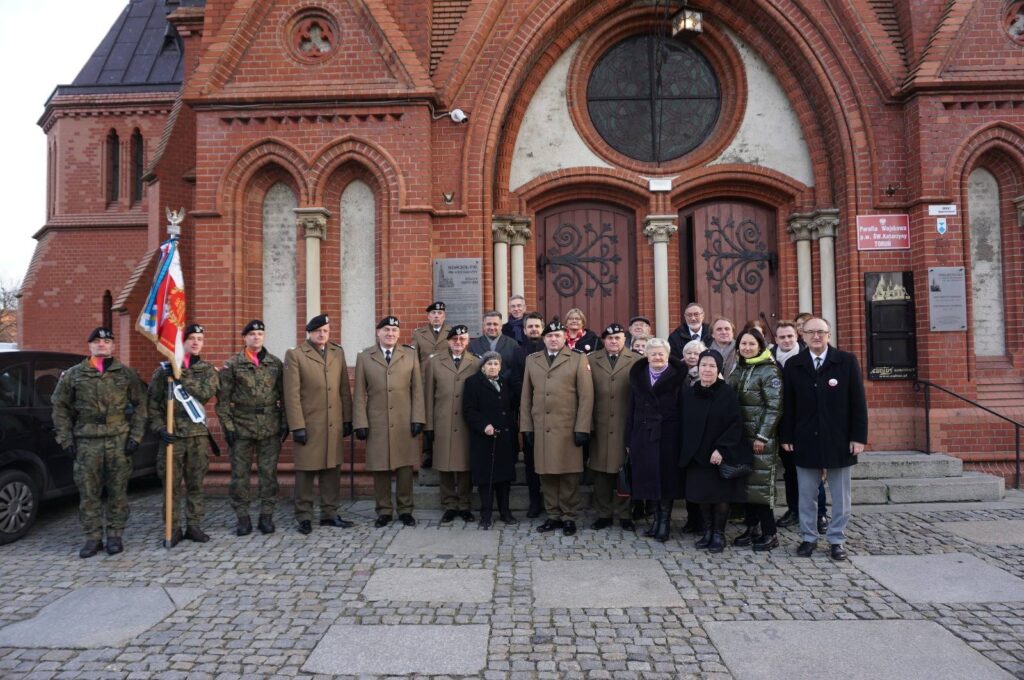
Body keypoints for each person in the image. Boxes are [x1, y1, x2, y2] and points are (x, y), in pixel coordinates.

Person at [52, 327, 147, 558]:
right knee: (88, 492)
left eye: (106, 341)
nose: (101, 345)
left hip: (118, 439)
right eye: (97, 341)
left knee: (118, 490)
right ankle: (92, 537)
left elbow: (141, 405)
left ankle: (115, 534)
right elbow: (60, 408)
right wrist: (65, 439)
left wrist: (135, 437)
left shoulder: (126, 374)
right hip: (86, 441)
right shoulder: (74, 374)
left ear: (113, 346)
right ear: (90, 346)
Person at [781, 317, 868, 561]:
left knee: (841, 496)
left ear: (829, 334)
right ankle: (808, 537)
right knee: (806, 494)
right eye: (811, 332)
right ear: (803, 336)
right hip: (805, 438)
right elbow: (789, 405)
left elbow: (858, 403)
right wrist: (787, 435)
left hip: (839, 439)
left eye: (821, 332)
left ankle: (837, 539)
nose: (816, 336)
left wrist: (858, 437)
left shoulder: (846, 362)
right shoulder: (794, 365)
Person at [520, 320, 594, 536]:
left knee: (569, 475)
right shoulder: (532, 361)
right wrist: (526, 427)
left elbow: (586, 396)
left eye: (558, 336)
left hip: (568, 428)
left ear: (564, 338)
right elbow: (526, 397)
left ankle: (569, 517)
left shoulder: (578, 359)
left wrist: (583, 427)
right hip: (542, 428)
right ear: (544, 339)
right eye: (550, 336)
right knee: (546, 474)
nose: (554, 339)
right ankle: (553, 515)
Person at [147, 323, 219, 546]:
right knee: (172, 485)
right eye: (191, 338)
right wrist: (160, 428)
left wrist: (180, 375)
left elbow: (205, 393)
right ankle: (173, 527)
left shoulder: (207, 370)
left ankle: (194, 525)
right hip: (172, 437)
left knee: (196, 484)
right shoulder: (163, 371)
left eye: (200, 339)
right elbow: (152, 405)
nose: (196, 342)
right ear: (182, 342)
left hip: (196, 436)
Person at [283, 314, 355, 535]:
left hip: (333, 424)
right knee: (306, 472)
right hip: (309, 424)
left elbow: (344, 388)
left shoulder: (337, 352)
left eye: (325, 330)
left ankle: (329, 514)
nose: (322, 334)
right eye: (317, 331)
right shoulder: (296, 355)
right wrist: (297, 426)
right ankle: (304, 516)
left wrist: (347, 418)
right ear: (309, 333)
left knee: (332, 471)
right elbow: (291, 394)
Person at [353, 316, 426, 528]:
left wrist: (418, 418)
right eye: (386, 330)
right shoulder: (366, 357)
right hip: (377, 421)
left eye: (394, 330)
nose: (390, 334)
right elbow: (359, 393)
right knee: (380, 467)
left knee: (404, 469)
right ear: (378, 332)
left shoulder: (410, 355)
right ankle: (383, 511)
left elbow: (417, 390)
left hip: (404, 420)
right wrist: (360, 423)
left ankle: (405, 510)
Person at [217, 319, 288, 536]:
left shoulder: (275, 364)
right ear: (244, 337)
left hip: (270, 426)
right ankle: (243, 517)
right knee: (240, 475)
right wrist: (227, 427)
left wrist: (285, 422)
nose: (256, 337)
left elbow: (284, 396)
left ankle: (266, 516)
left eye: (260, 333)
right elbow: (222, 400)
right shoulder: (232, 365)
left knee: (268, 474)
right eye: (252, 334)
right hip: (242, 426)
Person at [680, 350, 752, 553]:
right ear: (698, 368)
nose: (707, 369)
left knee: (720, 496)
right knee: (703, 495)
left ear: (718, 369)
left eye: (712, 366)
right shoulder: (690, 392)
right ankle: (708, 532)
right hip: (696, 454)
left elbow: (734, 424)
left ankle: (719, 534)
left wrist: (721, 449)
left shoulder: (726, 392)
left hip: (719, 454)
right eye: (704, 365)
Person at [727, 328, 783, 551]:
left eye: (751, 344)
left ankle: (770, 533)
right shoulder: (739, 368)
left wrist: (762, 436)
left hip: (761, 440)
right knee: (748, 485)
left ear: (760, 346)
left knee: (761, 486)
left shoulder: (769, 372)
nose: (747, 348)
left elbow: (774, 407)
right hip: (742, 438)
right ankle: (752, 528)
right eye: (743, 344)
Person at [625, 337, 685, 541]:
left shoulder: (678, 378)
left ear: (668, 356)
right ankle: (655, 520)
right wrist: (629, 438)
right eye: (653, 354)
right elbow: (631, 410)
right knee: (649, 477)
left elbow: (683, 410)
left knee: (666, 478)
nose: (657, 357)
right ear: (646, 356)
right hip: (643, 434)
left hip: (669, 435)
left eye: (661, 354)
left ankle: (665, 523)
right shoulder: (638, 377)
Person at [772, 320, 826, 530]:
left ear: (798, 336)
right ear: (775, 339)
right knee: (790, 472)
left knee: (814, 470)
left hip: (809, 425)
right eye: (782, 337)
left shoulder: (809, 358)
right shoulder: (769, 359)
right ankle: (794, 509)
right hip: (784, 425)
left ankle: (820, 513)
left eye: (790, 336)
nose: (786, 340)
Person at [424, 325, 478, 524]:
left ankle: (464, 504)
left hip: (465, 423)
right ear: (448, 341)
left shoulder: (476, 363)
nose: (458, 343)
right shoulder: (435, 362)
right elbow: (428, 395)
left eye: (462, 339)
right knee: (444, 465)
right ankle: (448, 504)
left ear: (468, 341)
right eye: (454, 339)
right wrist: (428, 425)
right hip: (443, 420)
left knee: (465, 466)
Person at [589, 324, 640, 531]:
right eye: (609, 338)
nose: (613, 342)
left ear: (624, 339)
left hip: (624, 424)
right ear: (603, 340)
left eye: (617, 338)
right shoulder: (591, 360)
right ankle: (604, 514)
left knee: (624, 471)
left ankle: (625, 514)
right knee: (601, 473)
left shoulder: (636, 360)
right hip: (599, 424)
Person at [463, 351, 519, 528]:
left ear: (500, 366)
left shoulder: (504, 382)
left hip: (505, 437)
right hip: (484, 438)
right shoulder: (472, 383)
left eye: (496, 364)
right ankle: (486, 514)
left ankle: (505, 512)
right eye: (489, 364)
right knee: (486, 479)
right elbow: (469, 410)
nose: (493, 367)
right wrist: (484, 425)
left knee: (504, 479)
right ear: (482, 366)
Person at [411, 301, 450, 469]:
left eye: (439, 313)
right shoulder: (419, 334)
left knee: (443, 415)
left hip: (444, 381)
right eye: (433, 313)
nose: (436, 316)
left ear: (444, 316)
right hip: (425, 382)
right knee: (427, 416)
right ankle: (428, 453)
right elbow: (414, 359)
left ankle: (442, 450)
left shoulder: (451, 333)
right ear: (428, 316)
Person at [519, 311, 546, 516]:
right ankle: (534, 502)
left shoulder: (551, 349)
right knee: (531, 461)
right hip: (528, 413)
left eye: (537, 326)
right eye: (530, 326)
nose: (534, 329)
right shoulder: (518, 353)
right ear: (524, 329)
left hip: (551, 415)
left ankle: (551, 500)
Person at [469, 310, 523, 391]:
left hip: (506, 390)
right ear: (483, 326)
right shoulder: (473, 345)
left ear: (501, 326)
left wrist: (501, 378)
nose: (492, 327)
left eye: (495, 324)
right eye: (488, 324)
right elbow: (471, 368)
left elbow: (515, 368)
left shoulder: (513, 344)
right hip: (480, 391)